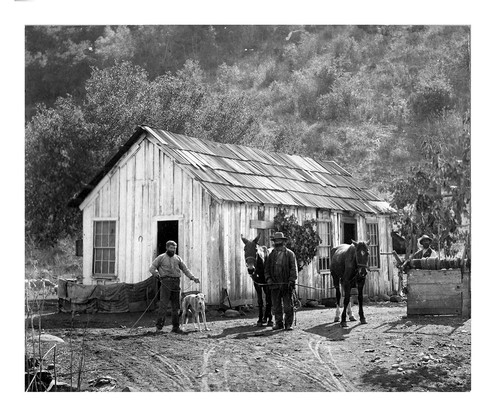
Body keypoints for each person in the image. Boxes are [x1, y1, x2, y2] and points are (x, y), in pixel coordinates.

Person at [149, 240, 199, 333]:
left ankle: (176, 327)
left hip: (176, 283)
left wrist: (193, 277)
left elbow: (185, 269)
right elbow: (152, 268)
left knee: (176, 307)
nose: (173, 250)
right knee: (163, 306)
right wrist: (156, 275)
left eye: (175, 248)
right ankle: (159, 328)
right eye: (171, 248)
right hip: (165, 283)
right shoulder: (161, 257)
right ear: (167, 248)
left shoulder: (178, 258)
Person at [264, 232, 298, 331]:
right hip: (274, 285)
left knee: (288, 306)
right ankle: (278, 323)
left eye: (279, 241)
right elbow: (266, 269)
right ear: (274, 242)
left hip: (286, 285)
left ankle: (288, 324)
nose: (278, 243)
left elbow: (294, 269)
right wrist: (268, 279)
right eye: (276, 241)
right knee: (276, 306)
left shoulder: (290, 254)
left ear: (283, 242)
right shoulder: (271, 255)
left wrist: (291, 280)